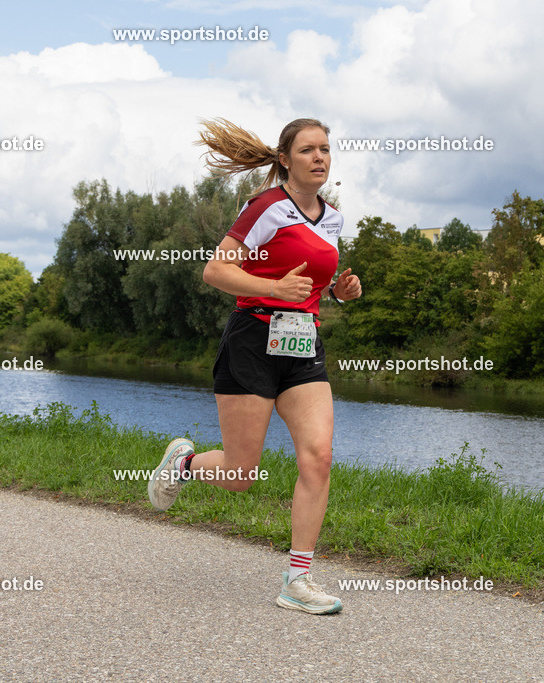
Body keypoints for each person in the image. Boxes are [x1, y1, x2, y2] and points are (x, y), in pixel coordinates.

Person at [148, 117, 361, 615]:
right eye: (308, 149)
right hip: (253, 341)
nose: (319, 158)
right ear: (285, 159)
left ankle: (298, 579)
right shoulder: (265, 207)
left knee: (319, 455)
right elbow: (216, 269)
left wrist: (340, 292)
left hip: (302, 345)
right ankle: (183, 465)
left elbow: (313, 280)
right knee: (242, 473)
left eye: (326, 149)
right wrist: (271, 289)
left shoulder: (332, 218)